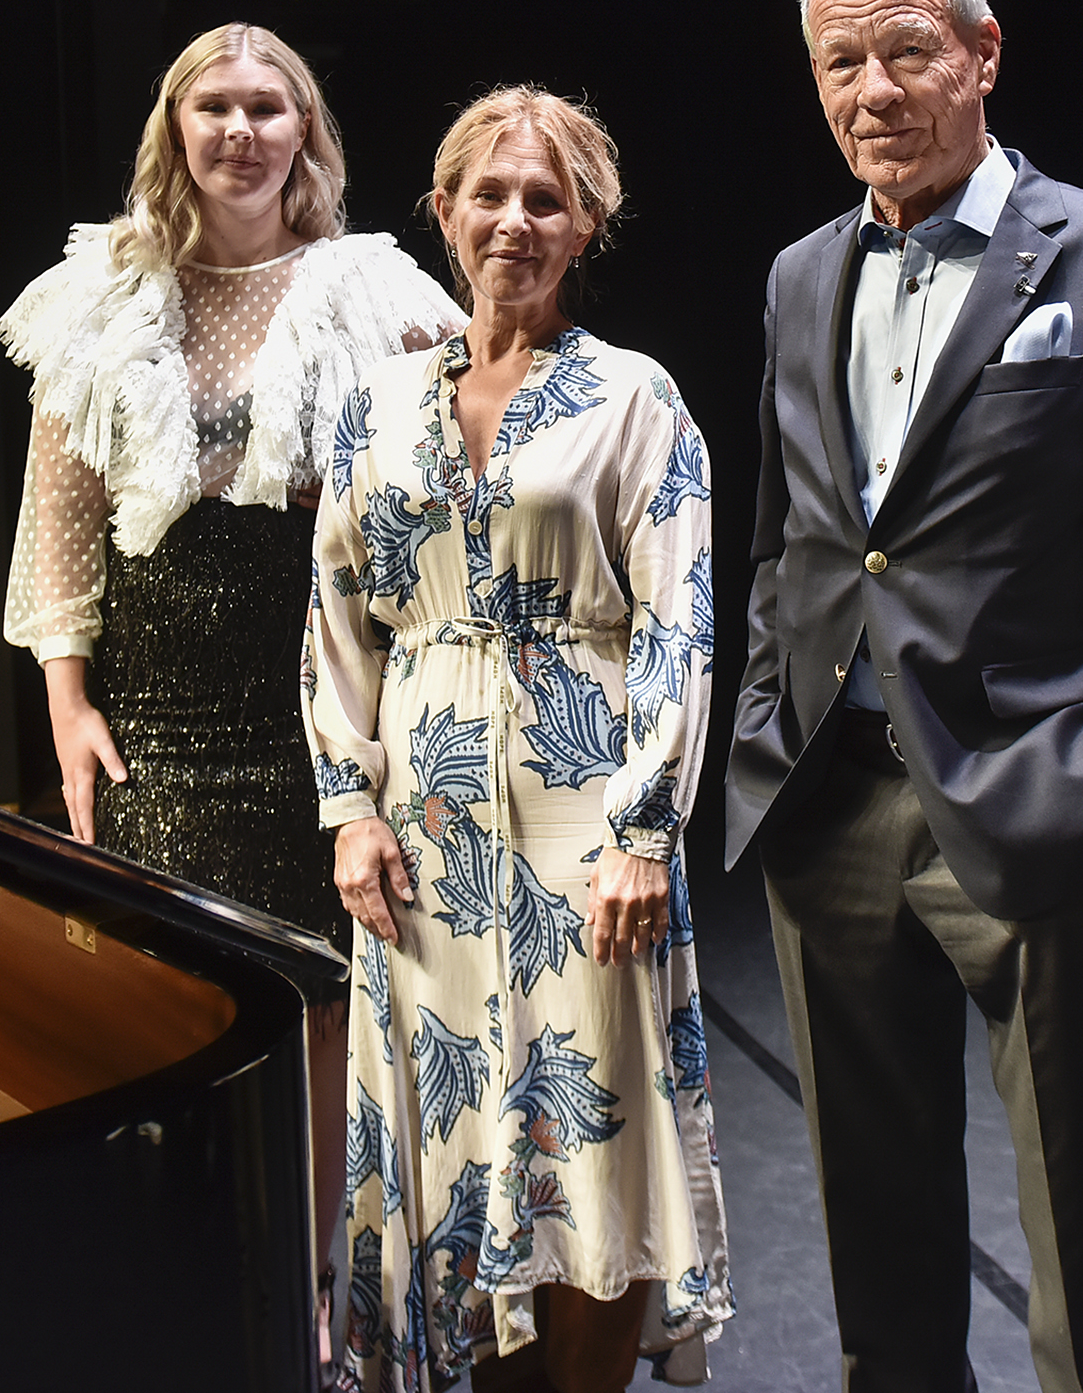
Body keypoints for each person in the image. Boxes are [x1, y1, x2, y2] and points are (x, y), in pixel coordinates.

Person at [727, 0, 1083, 1393]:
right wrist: (768, 710)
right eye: (842, 61)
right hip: (829, 800)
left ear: (983, 53)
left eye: (907, 50)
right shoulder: (799, 275)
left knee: (1072, 1218)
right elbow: (790, 541)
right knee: (873, 1222)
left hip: (1031, 798)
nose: (874, 89)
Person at [307, 87, 733, 1393]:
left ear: (585, 226)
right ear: (442, 212)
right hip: (423, 842)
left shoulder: (635, 398)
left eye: (545, 200)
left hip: (583, 832)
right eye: (488, 195)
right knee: (453, 1151)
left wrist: (645, 833)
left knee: (591, 1146)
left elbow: (679, 622)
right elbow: (338, 615)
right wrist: (348, 808)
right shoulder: (377, 406)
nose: (514, 221)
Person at [0, 22, 460, 939]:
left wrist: (360, 497)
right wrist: (67, 704)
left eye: (264, 107)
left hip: (326, 689)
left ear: (302, 128)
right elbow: (60, 516)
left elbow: (472, 434)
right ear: (176, 126)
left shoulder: (370, 287)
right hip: (157, 713)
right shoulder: (102, 291)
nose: (239, 130)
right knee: (175, 969)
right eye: (214, 106)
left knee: (331, 970)